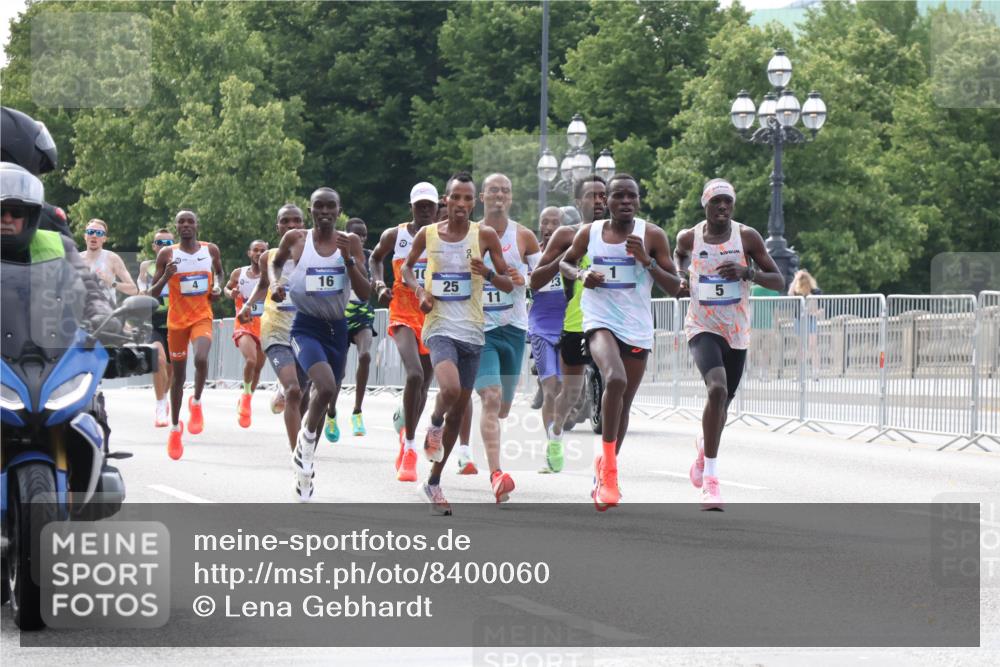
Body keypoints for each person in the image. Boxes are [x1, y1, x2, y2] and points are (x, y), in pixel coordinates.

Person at [561, 173, 682, 511]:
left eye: (632, 195)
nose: (626, 201)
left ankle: (604, 465)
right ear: (606, 201)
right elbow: (566, 262)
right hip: (599, 320)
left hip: (637, 326)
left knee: (624, 403)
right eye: (618, 196)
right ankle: (611, 475)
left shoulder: (652, 235)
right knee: (615, 378)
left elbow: (675, 287)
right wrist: (582, 274)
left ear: (639, 200)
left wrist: (647, 260)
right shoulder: (590, 233)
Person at [401, 171, 514, 515]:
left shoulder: (485, 235)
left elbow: (508, 284)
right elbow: (407, 269)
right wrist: (420, 291)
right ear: (445, 200)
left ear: (474, 202)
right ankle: (433, 423)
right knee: (448, 391)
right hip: (439, 327)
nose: (461, 204)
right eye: (456, 197)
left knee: (459, 412)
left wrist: (488, 273)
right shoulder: (428, 234)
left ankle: (433, 482)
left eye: (467, 198)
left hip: (473, 333)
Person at [674, 178, 784, 510]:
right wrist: (681, 275)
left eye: (728, 202)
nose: (723, 207)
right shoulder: (689, 237)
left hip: (736, 331)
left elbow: (779, 281)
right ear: (705, 205)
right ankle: (711, 482)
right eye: (716, 201)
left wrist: (747, 272)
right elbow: (679, 255)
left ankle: (703, 449)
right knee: (717, 389)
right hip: (702, 325)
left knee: (722, 406)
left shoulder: (747, 237)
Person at [271, 188, 369, 501]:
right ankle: (305, 449)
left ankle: (305, 464)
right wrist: (276, 284)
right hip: (306, 327)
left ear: (339, 210)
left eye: (330, 206)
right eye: (318, 206)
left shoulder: (349, 242)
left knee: (325, 396)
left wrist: (349, 260)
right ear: (311, 210)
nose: (324, 212)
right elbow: (276, 263)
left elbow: (365, 293)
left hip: (337, 329)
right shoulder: (297, 239)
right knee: (324, 386)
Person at [457, 173, 536, 502]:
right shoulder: (468, 235)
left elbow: (541, 276)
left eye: (505, 190)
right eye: (493, 190)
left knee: (502, 407)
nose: (499, 195)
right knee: (490, 397)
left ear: (511, 197)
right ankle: (497, 475)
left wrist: (524, 278)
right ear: (482, 198)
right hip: (479, 330)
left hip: (514, 328)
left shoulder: (524, 236)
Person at [529, 176, 607, 472]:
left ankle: (608, 461)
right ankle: (555, 437)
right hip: (573, 323)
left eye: (603, 195)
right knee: (568, 393)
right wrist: (566, 257)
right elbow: (536, 281)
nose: (598, 201)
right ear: (577, 201)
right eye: (591, 196)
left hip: (610, 323)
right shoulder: (566, 235)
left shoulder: (620, 234)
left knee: (617, 381)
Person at [370, 182, 439, 482]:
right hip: (402, 314)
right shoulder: (395, 235)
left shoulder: (444, 237)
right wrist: (379, 283)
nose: (424, 210)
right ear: (411, 207)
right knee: (414, 375)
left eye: (429, 206)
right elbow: (375, 258)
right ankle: (410, 448)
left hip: (433, 316)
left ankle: (406, 434)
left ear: (436, 208)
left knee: (423, 385)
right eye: (419, 205)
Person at [149, 210, 225, 461]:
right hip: (176, 323)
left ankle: (197, 402)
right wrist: (166, 277)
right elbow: (152, 293)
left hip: (202, 316)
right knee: (178, 377)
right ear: (176, 227)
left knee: (201, 358)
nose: (186, 225)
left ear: (196, 225)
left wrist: (217, 287)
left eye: (190, 221)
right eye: (181, 222)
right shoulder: (167, 254)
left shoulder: (210, 250)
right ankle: (174, 428)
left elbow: (220, 273)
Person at [239, 203, 310, 454]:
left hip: (306, 330)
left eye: (296, 220)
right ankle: (297, 455)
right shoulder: (268, 257)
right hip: (276, 329)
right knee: (294, 390)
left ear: (303, 223)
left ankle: (303, 442)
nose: (291, 225)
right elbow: (262, 285)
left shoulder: (314, 253)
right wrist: (248, 304)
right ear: (277, 226)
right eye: (285, 221)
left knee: (303, 393)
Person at [526, 206, 566, 468]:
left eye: (555, 222)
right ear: (540, 225)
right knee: (550, 388)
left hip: (568, 326)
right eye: (545, 222)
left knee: (564, 389)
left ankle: (557, 434)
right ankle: (553, 446)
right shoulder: (533, 254)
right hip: (540, 326)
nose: (550, 227)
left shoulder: (574, 251)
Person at [333, 217, 375, 439]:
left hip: (361, 313)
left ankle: (357, 411)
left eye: (364, 235)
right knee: (338, 370)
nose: (361, 238)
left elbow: (373, 281)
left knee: (365, 355)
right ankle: (331, 412)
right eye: (357, 234)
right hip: (340, 314)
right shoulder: (333, 254)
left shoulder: (369, 256)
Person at [225, 239, 268, 428]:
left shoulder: (272, 274)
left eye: (263, 250)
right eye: (255, 250)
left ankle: (247, 397)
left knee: (258, 367)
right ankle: (246, 394)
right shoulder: (239, 273)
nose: (259, 253)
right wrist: (230, 293)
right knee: (251, 360)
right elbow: (227, 288)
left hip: (265, 324)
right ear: (249, 253)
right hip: (244, 323)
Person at [136, 228, 176, 427]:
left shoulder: (181, 265)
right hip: (154, 322)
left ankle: (165, 396)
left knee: (172, 367)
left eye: (168, 243)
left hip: (176, 321)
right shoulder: (147, 266)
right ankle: (160, 405)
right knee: (157, 359)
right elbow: (143, 292)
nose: (164, 247)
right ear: (154, 246)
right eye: (160, 243)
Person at [80, 218, 138, 304]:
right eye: (90, 232)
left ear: (104, 239)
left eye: (99, 233)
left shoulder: (112, 258)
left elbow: (133, 289)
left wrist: (111, 282)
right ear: (85, 236)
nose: (94, 235)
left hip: (106, 310)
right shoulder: (76, 259)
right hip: (82, 309)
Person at [788, 269, 823, 377]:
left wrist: (814, 313)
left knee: (813, 346)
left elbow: (822, 309)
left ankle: (815, 372)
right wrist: (796, 278)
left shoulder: (815, 291)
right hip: (799, 320)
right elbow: (789, 293)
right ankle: (800, 372)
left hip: (811, 320)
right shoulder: (797, 292)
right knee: (800, 347)